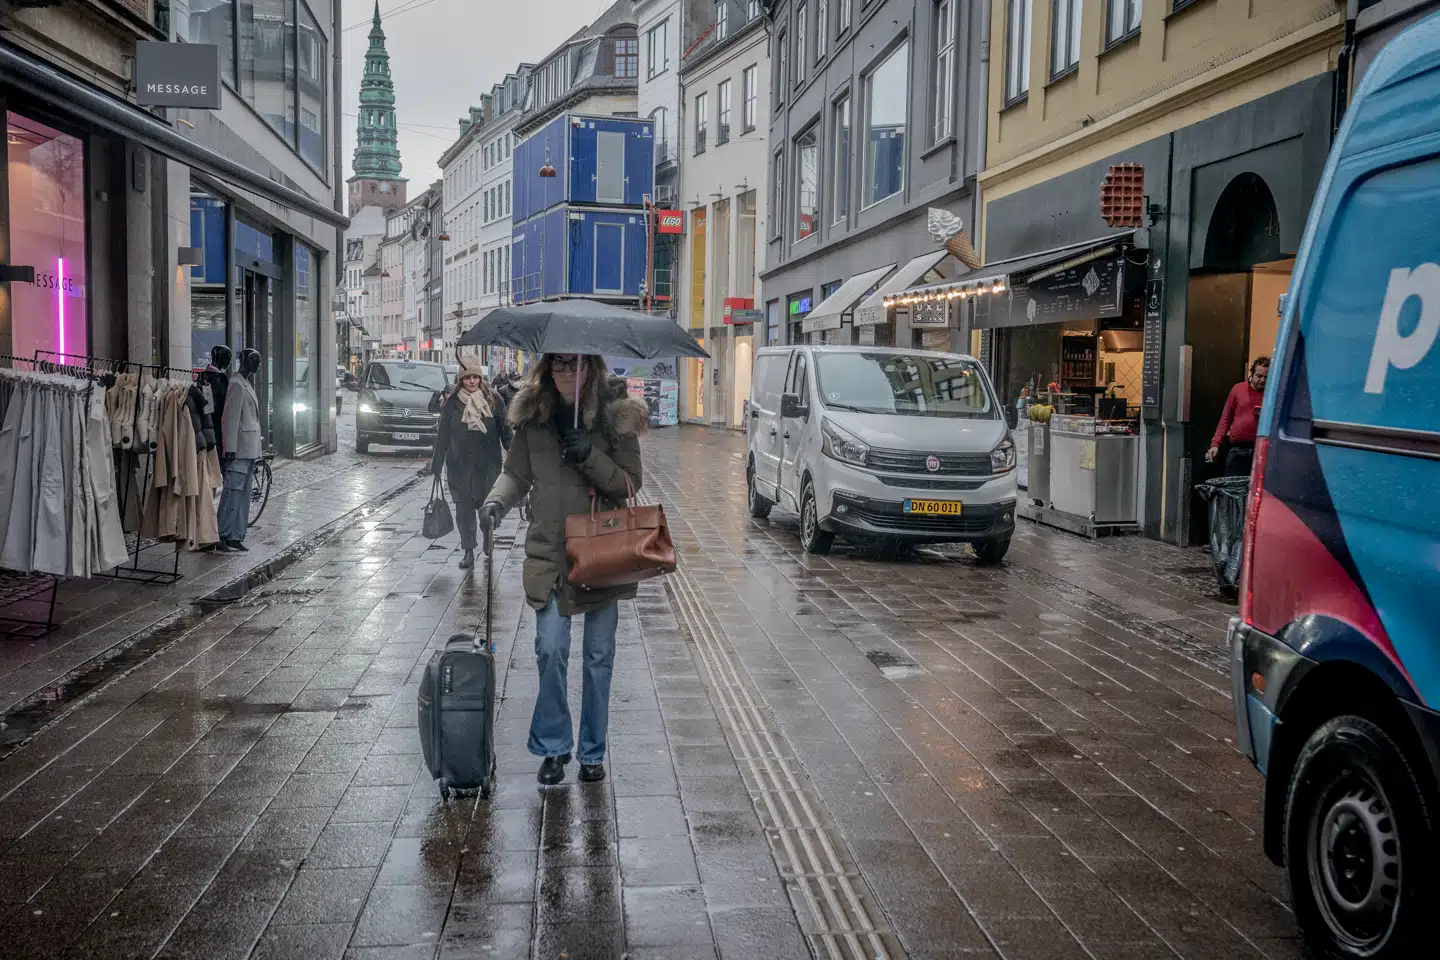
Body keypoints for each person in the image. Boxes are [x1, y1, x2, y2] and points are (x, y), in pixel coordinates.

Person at [479, 354, 649, 786]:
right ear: (546, 369)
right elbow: (515, 474)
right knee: (550, 649)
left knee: (598, 658)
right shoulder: (533, 416)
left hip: (601, 552)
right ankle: (554, 746)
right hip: (551, 552)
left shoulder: (616, 414)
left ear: (591, 367)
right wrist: (496, 502)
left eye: (575, 366)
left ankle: (592, 752)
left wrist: (589, 454)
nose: (566, 375)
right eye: (558, 366)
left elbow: (630, 482)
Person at [429, 356, 510, 569]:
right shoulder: (452, 403)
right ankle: (468, 550)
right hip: (459, 467)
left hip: (488, 466)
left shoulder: (494, 401)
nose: (472, 381)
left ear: (480, 378)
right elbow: (443, 435)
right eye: (467, 378)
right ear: (460, 380)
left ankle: (487, 536)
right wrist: (436, 466)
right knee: (464, 513)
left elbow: (506, 432)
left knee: (487, 510)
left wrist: (515, 458)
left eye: (475, 377)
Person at [218, 348, 263, 552]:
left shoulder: (246, 383)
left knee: (243, 494)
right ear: (245, 361)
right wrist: (229, 447)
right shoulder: (236, 384)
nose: (258, 365)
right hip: (240, 448)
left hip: (249, 448)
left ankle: (235, 534)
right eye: (255, 360)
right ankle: (222, 533)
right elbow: (230, 418)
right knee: (232, 492)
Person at [1207, 356, 1269, 477]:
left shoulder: (1271, 394)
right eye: (1259, 376)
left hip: (1261, 450)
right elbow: (1225, 419)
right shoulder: (1238, 389)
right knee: (1232, 484)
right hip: (1238, 449)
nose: (1262, 380)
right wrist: (1215, 444)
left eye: (1266, 377)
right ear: (1252, 374)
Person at [202, 345, 232, 456]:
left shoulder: (203, 376)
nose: (229, 362)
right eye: (229, 359)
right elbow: (225, 405)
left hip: (205, 425)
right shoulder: (220, 379)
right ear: (222, 359)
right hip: (218, 427)